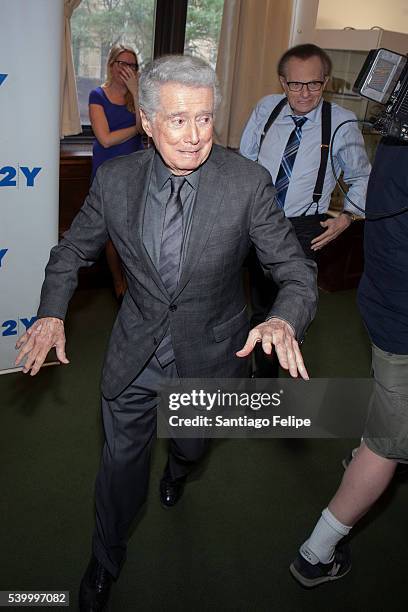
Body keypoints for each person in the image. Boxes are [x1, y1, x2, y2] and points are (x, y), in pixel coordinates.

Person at [15, 55, 317, 610]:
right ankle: (105, 558)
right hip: (136, 353)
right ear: (148, 123)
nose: (194, 135)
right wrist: (51, 312)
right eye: (178, 120)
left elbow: (296, 271)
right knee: (118, 469)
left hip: (212, 352)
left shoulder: (245, 183)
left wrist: (282, 317)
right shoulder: (115, 181)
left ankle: (180, 467)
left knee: (192, 446)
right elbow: (70, 252)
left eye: (204, 119)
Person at [289, 135, 408, 588]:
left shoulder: (398, 134)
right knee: (387, 443)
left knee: (386, 392)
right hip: (401, 316)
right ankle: (316, 554)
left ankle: (359, 454)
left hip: (381, 302)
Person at [240, 43, 371, 377]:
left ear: (325, 82)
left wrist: (347, 217)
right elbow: (245, 162)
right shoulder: (267, 108)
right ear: (282, 82)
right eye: (294, 84)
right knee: (258, 300)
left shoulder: (341, 122)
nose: (304, 93)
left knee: (291, 300)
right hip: (259, 217)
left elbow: (361, 177)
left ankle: (273, 367)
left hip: (303, 227)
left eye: (314, 83)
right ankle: (261, 371)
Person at [89, 44, 144, 301]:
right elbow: (106, 139)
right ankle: (118, 283)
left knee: (133, 230)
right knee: (112, 232)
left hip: (135, 169)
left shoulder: (138, 96)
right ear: (111, 65)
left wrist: (135, 92)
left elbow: (147, 129)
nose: (127, 69)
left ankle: (135, 284)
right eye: (122, 63)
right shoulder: (97, 95)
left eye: (132, 65)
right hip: (108, 171)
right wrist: (136, 128)